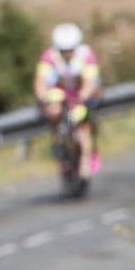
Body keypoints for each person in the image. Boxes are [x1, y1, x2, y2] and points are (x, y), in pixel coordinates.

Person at [33, 22, 102, 179]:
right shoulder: (49, 57)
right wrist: (44, 98)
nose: (67, 54)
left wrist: (82, 97)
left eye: (70, 50)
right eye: (64, 50)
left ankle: (86, 159)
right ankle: (60, 147)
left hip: (81, 95)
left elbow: (90, 82)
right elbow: (41, 82)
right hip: (61, 95)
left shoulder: (86, 56)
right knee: (54, 111)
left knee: (84, 126)